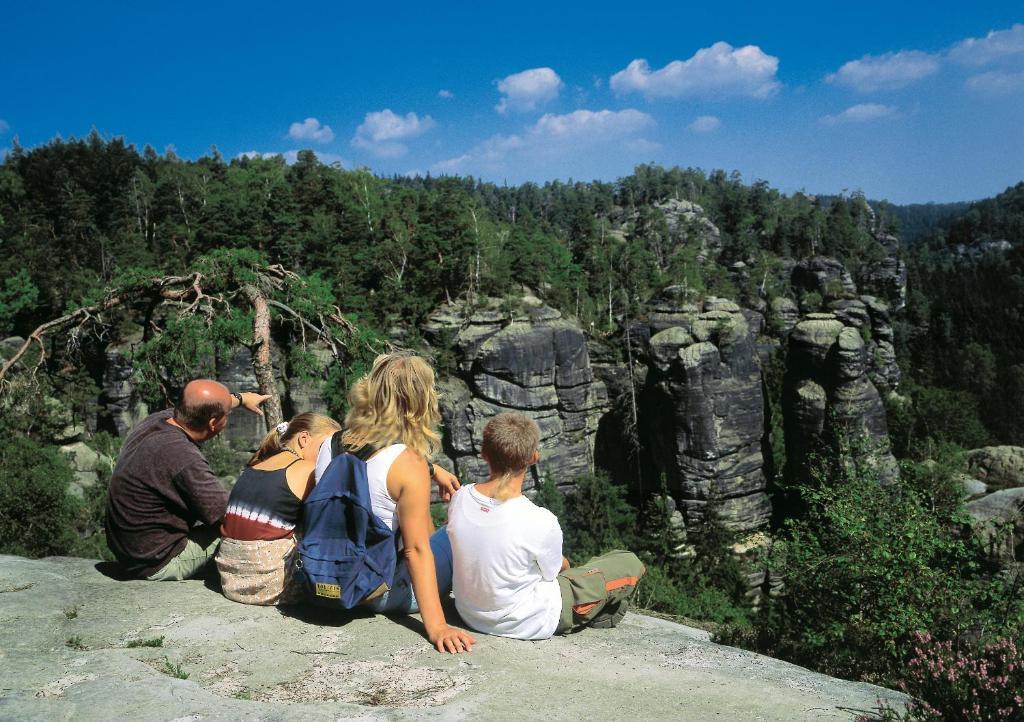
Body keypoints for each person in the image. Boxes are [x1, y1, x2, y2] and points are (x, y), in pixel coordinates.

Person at [313, 352, 475, 654]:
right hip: (376, 593)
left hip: (324, 583)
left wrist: (430, 469)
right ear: (419, 402)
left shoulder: (330, 443)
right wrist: (437, 626)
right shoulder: (406, 464)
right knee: (455, 537)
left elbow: (370, 469)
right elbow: (416, 551)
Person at [446, 412, 646, 640]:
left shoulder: (459, 498)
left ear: (484, 454)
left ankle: (600, 608)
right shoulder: (540, 519)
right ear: (533, 457)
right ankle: (601, 612)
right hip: (529, 621)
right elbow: (553, 573)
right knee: (627, 560)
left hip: (469, 614)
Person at [105, 380, 269, 581]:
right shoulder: (183, 457)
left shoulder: (158, 420)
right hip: (156, 562)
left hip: (131, 550)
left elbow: (202, 404)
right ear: (213, 423)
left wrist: (241, 399)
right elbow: (230, 515)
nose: (229, 416)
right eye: (228, 414)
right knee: (249, 525)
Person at [216, 412, 341, 605]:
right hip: (270, 581)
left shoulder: (255, 466)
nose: (329, 455)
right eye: (326, 447)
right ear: (304, 438)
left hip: (231, 578)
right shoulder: (306, 469)